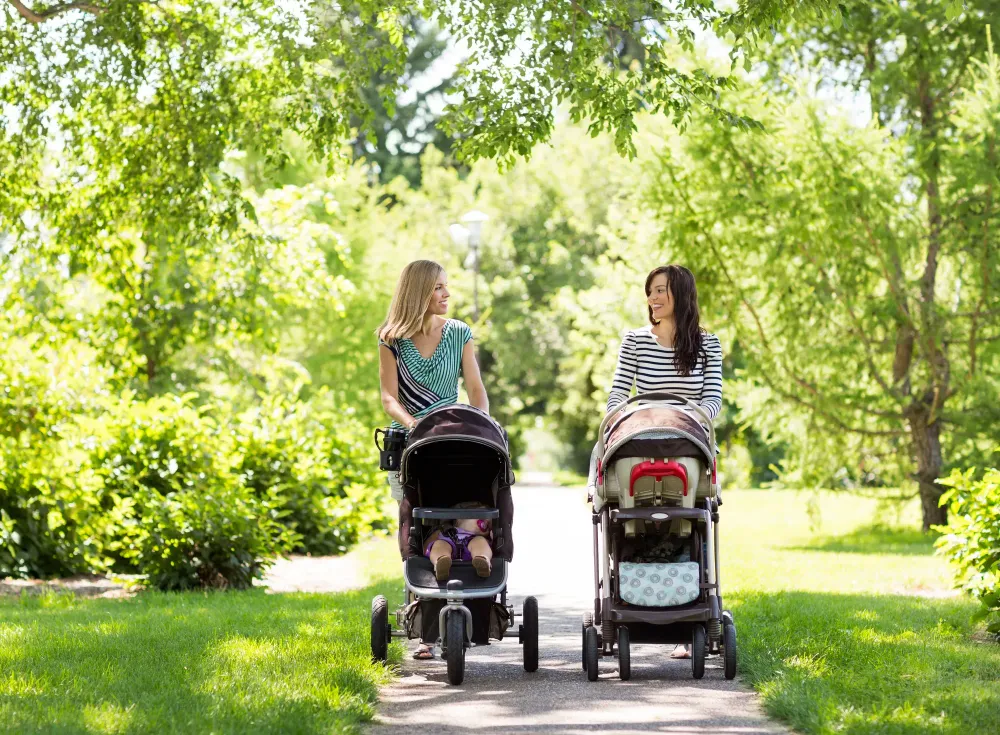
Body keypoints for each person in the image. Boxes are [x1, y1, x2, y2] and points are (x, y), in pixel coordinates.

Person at [593, 264, 723, 658]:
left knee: (695, 516)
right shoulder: (635, 341)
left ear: (681, 294)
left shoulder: (708, 344)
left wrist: (687, 420)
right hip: (640, 437)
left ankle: (692, 610)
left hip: (686, 440)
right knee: (622, 510)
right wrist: (618, 421)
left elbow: (712, 399)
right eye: (650, 291)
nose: (653, 298)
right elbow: (619, 393)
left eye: (662, 290)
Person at [376, 259, 490, 659]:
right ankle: (423, 626)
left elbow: (475, 389)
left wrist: (482, 424)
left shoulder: (459, 333)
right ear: (419, 292)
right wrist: (413, 424)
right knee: (416, 519)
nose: (446, 294)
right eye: (438, 287)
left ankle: (470, 584)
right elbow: (389, 397)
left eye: (446, 286)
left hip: (456, 434)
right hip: (414, 441)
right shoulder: (391, 339)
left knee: (463, 510)